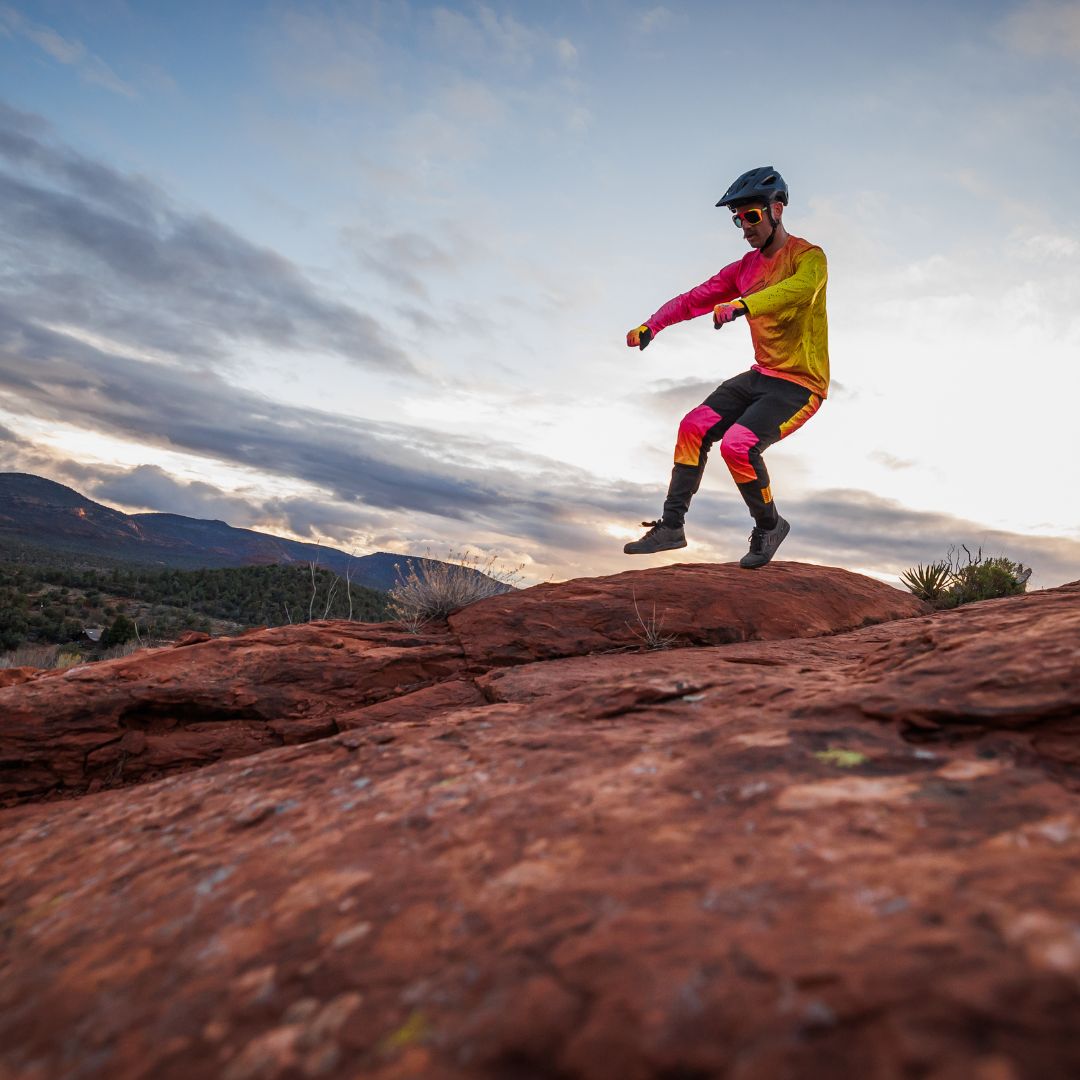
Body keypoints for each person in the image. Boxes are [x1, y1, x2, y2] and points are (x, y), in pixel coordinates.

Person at [623, 166, 829, 569]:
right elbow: (692, 298)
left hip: (801, 385)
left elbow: (796, 291)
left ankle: (770, 525)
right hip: (762, 374)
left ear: (777, 210)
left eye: (751, 216)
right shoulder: (743, 269)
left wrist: (743, 305)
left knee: (738, 445)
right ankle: (671, 527)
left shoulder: (809, 258)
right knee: (693, 425)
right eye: (738, 219)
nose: (744, 227)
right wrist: (653, 324)